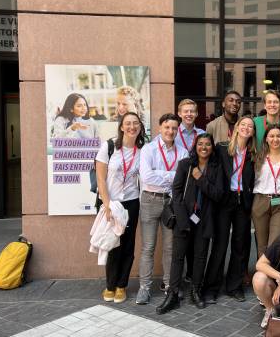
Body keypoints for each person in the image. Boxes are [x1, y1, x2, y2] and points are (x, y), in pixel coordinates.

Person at [156, 134, 224, 313]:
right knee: (178, 257)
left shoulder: (216, 167)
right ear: (195, 146)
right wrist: (181, 217)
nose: (204, 147)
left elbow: (218, 194)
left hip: (205, 220)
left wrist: (200, 179)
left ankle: (196, 291)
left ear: (212, 148)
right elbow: (176, 192)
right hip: (184, 218)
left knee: (200, 256)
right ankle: (173, 294)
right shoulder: (185, 165)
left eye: (208, 144)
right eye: (200, 144)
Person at [136, 113, 189, 305]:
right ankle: (144, 288)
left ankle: (169, 285)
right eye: (167, 127)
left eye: (174, 128)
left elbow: (183, 179)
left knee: (169, 248)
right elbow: (146, 177)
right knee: (148, 247)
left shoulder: (182, 152)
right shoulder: (148, 150)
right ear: (160, 128)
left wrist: (164, 177)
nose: (170, 131)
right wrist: (171, 177)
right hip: (150, 200)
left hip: (171, 203)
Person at [204, 116, 256, 303]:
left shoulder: (252, 153)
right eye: (243, 125)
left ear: (252, 132)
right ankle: (211, 287)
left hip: (243, 201)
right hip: (225, 200)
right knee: (220, 244)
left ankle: (234, 286)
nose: (246, 128)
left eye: (250, 126)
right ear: (236, 128)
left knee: (240, 245)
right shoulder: (222, 148)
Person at [95, 112, 146, 303]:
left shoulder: (142, 151)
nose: (132, 127)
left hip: (132, 203)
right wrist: (106, 203)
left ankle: (121, 285)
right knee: (112, 244)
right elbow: (100, 178)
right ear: (122, 127)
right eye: (128, 123)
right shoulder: (108, 147)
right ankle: (110, 285)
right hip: (112, 203)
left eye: (135, 123)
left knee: (128, 245)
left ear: (140, 127)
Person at [252, 124, 280, 258]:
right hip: (261, 201)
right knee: (262, 245)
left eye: (278, 136)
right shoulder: (259, 157)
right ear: (266, 138)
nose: (275, 139)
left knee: (275, 243)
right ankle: (263, 276)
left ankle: (272, 275)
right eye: (271, 136)